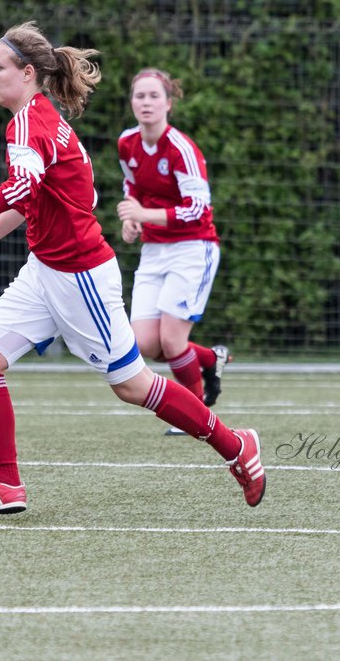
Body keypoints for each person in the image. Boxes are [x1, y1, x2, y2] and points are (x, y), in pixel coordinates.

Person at [0, 21, 265, 515]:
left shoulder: (29, 124)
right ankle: (7, 486)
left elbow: (21, 190)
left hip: (81, 276)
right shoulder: (37, 119)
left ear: (26, 74)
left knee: (133, 386)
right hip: (43, 270)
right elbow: (32, 201)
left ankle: (237, 447)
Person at [116, 67, 229, 435]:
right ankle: (211, 358)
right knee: (145, 343)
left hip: (193, 248)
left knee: (171, 339)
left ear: (168, 103)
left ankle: (195, 416)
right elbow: (131, 187)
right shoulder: (127, 144)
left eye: (153, 96)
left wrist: (143, 214)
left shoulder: (181, 148)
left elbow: (199, 207)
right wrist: (131, 220)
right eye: (139, 96)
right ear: (132, 102)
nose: (146, 102)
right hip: (155, 250)